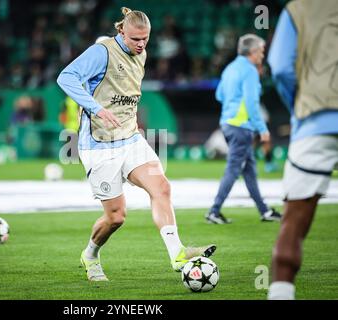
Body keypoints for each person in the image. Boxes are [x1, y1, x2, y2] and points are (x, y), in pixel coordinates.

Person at [57, 7, 216, 281]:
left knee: (162, 187)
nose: (141, 44)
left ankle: (177, 253)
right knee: (116, 217)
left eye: (145, 39)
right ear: (121, 31)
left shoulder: (141, 54)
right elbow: (66, 77)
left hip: (130, 138)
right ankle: (91, 255)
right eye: (135, 39)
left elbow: (126, 93)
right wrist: (95, 108)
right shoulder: (102, 52)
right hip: (99, 144)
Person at [267, 0, 338, 300]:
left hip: (316, 120)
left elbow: (281, 67)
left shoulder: (299, 8)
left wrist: (300, 105)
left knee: (293, 225)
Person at [205, 34, 282, 224]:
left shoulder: (230, 68)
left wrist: (233, 105)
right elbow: (252, 103)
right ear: (253, 51)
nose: (262, 56)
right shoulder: (249, 71)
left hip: (228, 123)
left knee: (249, 170)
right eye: (261, 51)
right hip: (241, 126)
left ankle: (264, 211)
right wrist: (262, 129)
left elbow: (219, 95)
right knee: (233, 169)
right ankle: (214, 211)